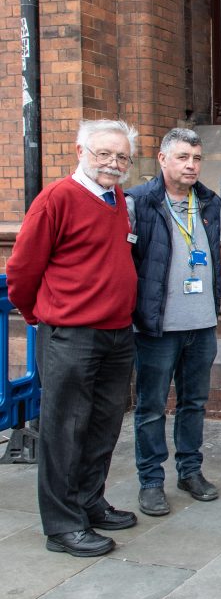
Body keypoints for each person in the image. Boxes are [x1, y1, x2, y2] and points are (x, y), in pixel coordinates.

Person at [7, 119, 140, 556]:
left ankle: (88, 502)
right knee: (64, 429)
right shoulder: (57, 198)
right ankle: (63, 526)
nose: (113, 163)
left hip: (116, 334)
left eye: (122, 156)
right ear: (80, 150)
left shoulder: (116, 197)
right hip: (71, 335)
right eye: (104, 153)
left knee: (103, 426)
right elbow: (23, 271)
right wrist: (40, 316)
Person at [126, 128, 221, 517]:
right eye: (183, 157)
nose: (191, 165)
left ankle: (190, 471)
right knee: (150, 407)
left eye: (196, 158)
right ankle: (150, 482)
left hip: (202, 324)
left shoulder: (209, 202)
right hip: (157, 328)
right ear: (162, 159)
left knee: (194, 403)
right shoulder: (138, 202)